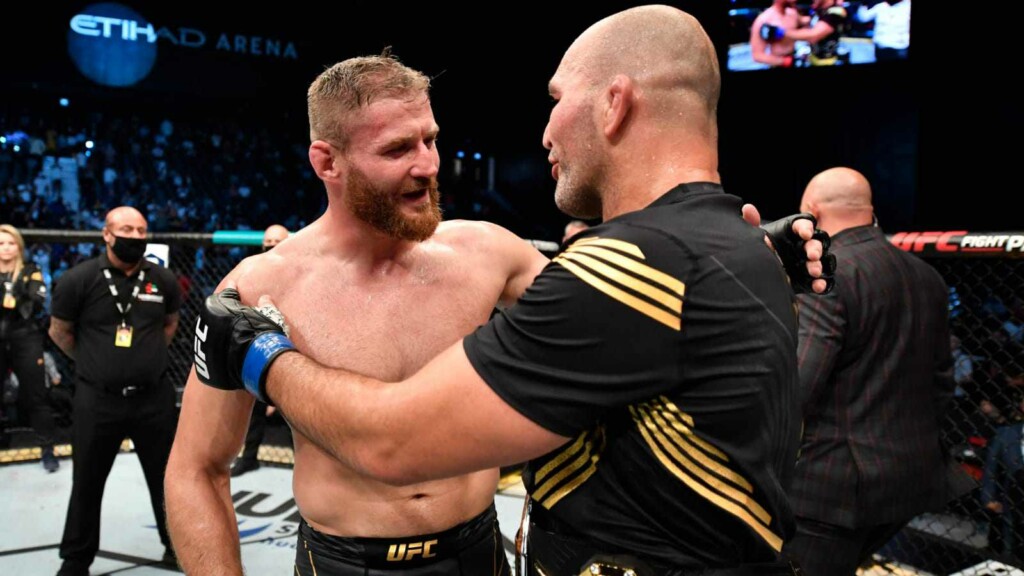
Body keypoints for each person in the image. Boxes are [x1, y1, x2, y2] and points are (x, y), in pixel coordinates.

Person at [197, 7, 828, 574]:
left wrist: (266, 357)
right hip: (341, 558)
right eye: (398, 148)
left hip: (479, 548)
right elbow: (199, 468)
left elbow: (392, 437)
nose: (428, 164)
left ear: (614, 105)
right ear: (327, 162)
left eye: (432, 140)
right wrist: (740, 252)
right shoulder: (255, 287)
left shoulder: (491, 252)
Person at [781, 167, 963, 575]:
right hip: (907, 481)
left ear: (810, 212)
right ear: (870, 211)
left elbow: (797, 388)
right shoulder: (927, 277)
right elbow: (941, 384)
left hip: (831, 490)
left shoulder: (827, 273)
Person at [48, 206, 181, 576]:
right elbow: (59, 332)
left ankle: (177, 546)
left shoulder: (163, 280)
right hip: (97, 399)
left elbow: (169, 325)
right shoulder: (79, 279)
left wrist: (142, 358)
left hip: (153, 398)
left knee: (167, 480)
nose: (135, 236)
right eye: (126, 229)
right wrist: (95, 362)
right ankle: (76, 559)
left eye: (141, 230)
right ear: (106, 234)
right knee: (87, 480)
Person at [229, 223, 291, 478]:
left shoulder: (300, 273)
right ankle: (250, 457)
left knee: (300, 416)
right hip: (258, 347)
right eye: (268, 242)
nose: (271, 246)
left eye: (277, 242)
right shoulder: (251, 271)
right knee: (252, 409)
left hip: (295, 352)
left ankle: (310, 469)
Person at [0, 223, 59, 472]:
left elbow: (34, 303)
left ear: (19, 247)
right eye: (1, 243)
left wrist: (13, 300)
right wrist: (16, 299)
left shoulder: (30, 270)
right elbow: (23, 302)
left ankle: (47, 449)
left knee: (37, 395)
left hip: (25, 337)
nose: (5, 248)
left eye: (11, 243)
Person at [750, 0, 802, 68]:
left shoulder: (793, 13)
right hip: (778, 63)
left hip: (795, 56)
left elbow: (804, 22)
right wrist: (785, 61)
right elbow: (757, 55)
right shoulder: (763, 20)